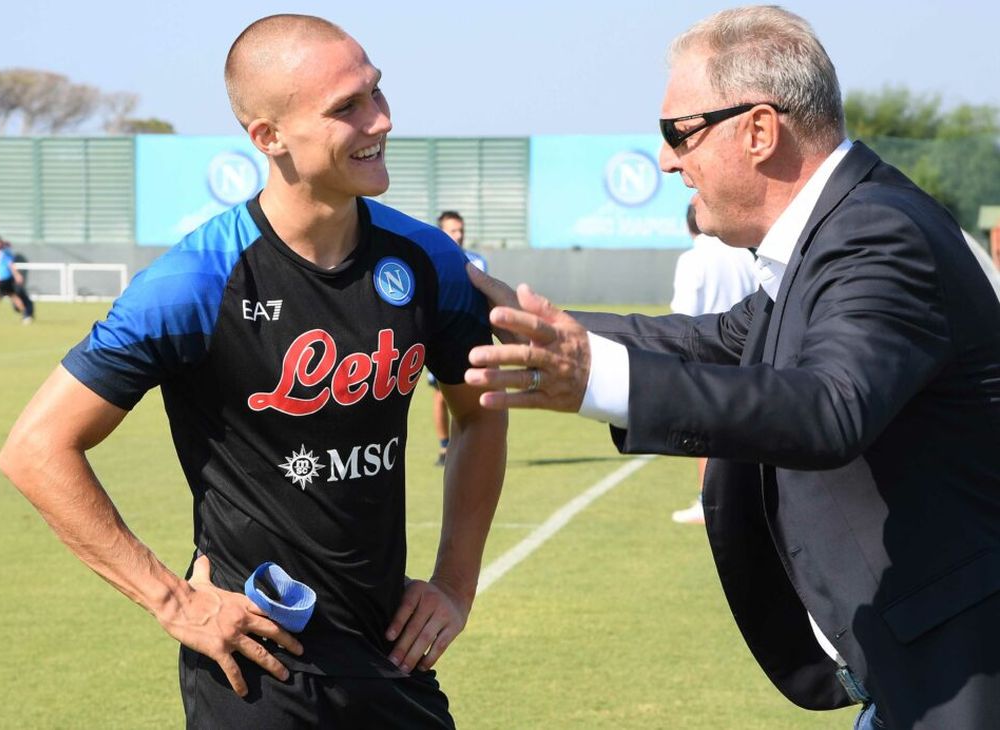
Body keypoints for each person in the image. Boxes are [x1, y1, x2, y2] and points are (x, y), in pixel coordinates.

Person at [464, 6, 1000, 729]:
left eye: (679, 133)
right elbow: (711, 342)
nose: (665, 160)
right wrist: (521, 324)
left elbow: (829, 407)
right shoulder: (837, 229)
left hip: (961, 674)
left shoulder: (875, 229)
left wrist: (595, 378)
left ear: (758, 130)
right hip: (919, 665)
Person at [0, 14, 507, 729]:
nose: (381, 120)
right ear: (268, 137)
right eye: (348, 108)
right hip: (255, 670)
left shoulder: (429, 263)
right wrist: (174, 602)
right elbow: (35, 448)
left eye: (377, 94)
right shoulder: (197, 281)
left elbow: (480, 413)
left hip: (392, 657)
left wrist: (456, 585)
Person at [668, 203, 758, 524]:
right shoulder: (746, 255)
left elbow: (682, 315)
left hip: (706, 355)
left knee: (705, 435)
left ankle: (709, 501)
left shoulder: (693, 259)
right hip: (748, 353)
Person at [428, 210, 488, 466]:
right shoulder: (428, 259)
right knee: (442, 394)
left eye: (461, 230)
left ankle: (471, 446)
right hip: (441, 336)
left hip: (472, 337)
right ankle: (444, 446)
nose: (459, 235)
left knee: (476, 397)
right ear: (440, 232)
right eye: (452, 230)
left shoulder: (477, 261)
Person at [0, 235, 34, 324]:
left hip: (5, 279)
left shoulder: (5, 252)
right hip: (4, 279)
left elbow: (11, 264)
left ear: (0, 243)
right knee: (12, 296)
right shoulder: (1, 253)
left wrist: (17, 275)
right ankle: (26, 314)